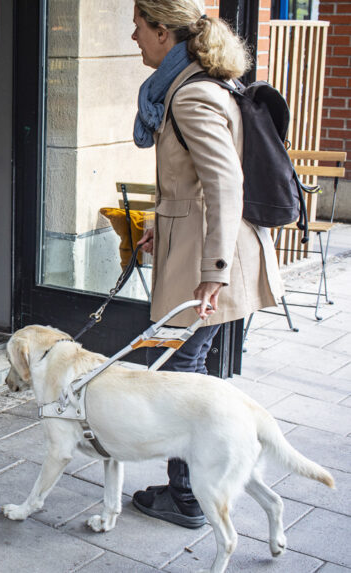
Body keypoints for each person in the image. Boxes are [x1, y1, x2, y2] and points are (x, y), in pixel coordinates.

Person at [129, 0, 284, 529]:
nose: (133, 37)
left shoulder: (191, 95)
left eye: (139, 27)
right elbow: (189, 183)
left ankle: (189, 497)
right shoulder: (187, 86)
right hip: (199, 246)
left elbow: (224, 185)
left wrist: (213, 272)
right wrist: (162, 220)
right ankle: (197, 485)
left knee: (181, 374)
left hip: (210, 261)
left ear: (164, 32)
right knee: (193, 373)